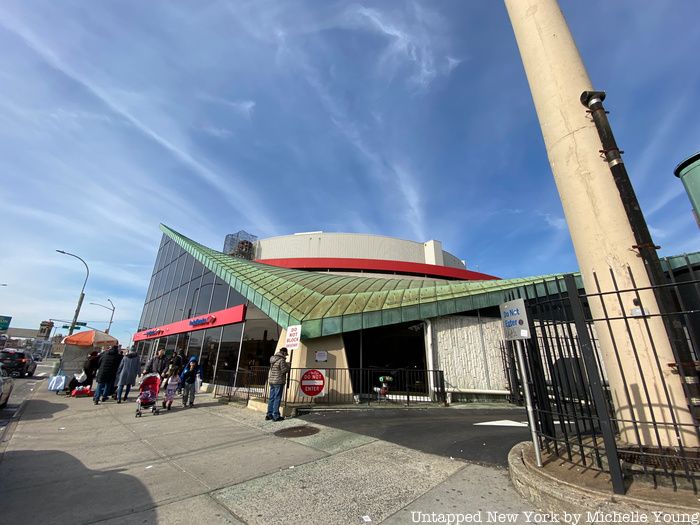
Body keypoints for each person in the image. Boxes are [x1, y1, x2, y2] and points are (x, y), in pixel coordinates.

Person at [265, 347, 291, 422]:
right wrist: (288, 366)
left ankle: (269, 414)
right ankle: (276, 415)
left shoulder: (273, 359)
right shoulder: (281, 360)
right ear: (283, 353)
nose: (286, 356)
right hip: (278, 381)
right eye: (286, 354)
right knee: (277, 398)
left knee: (271, 398)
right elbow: (284, 370)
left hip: (272, 380)